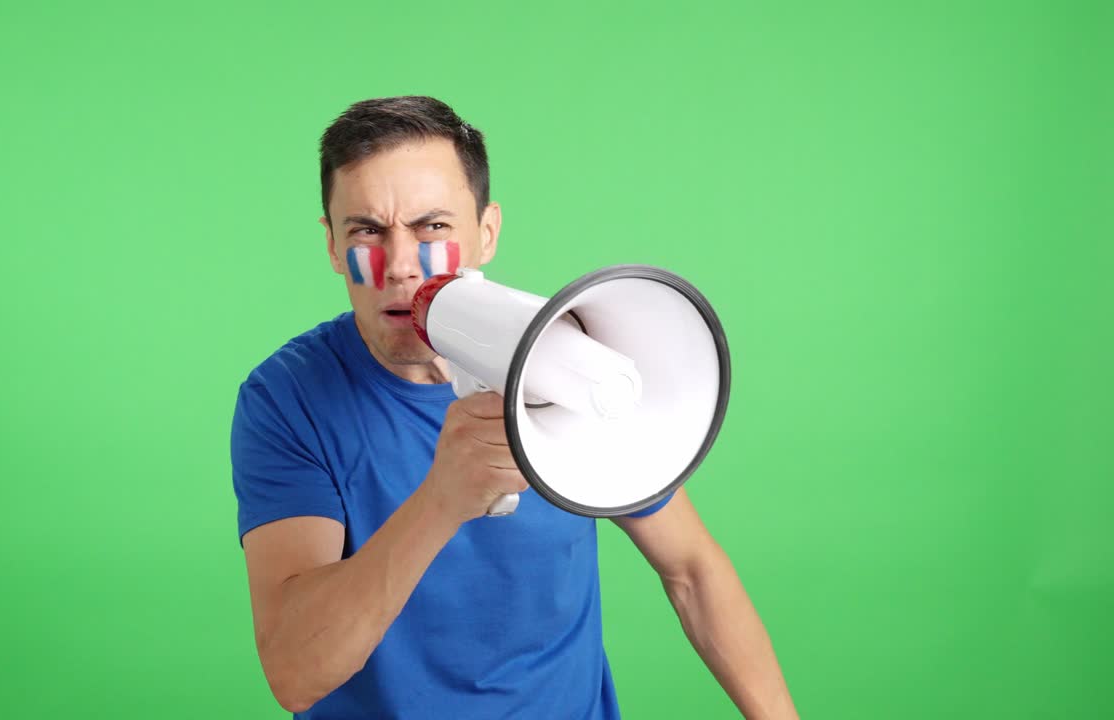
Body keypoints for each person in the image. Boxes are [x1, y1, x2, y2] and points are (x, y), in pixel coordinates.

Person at [231, 96, 799, 719]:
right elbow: (294, 672)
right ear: (334, 246)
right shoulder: (288, 398)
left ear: (488, 231)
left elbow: (692, 572)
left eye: (433, 227)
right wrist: (440, 503)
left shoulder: (571, 359)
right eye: (367, 230)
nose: (399, 266)